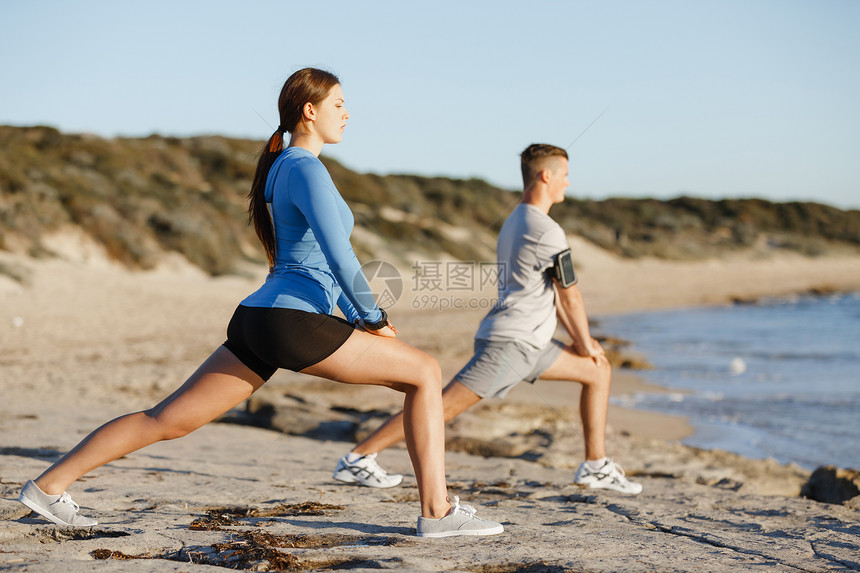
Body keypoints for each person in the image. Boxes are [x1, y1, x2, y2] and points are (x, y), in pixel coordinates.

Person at [17, 67, 503, 538]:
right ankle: (438, 512)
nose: (347, 113)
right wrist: (371, 317)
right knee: (426, 373)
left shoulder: (282, 167)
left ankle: (48, 486)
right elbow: (339, 252)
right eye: (338, 104)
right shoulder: (306, 169)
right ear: (309, 111)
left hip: (258, 319)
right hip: (290, 320)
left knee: (166, 420)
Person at [333, 143, 642, 495]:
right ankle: (359, 457)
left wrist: (583, 348)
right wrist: (585, 342)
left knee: (598, 370)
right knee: (441, 405)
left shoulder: (515, 220)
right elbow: (568, 294)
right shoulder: (547, 230)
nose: (568, 183)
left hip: (531, 342)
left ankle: (596, 466)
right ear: (546, 175)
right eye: (566, 175)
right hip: (511, 345)